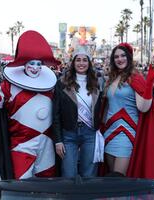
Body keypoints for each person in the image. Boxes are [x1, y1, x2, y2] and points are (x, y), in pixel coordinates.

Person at [0, 30, 60, 180]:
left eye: (39, 64)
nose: (35, 67)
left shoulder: (50, 86)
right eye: (31, 63)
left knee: (48, 183)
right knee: (22, 184)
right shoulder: (10, 86)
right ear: (24, 64)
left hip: (47, 142)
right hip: (22, 144)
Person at [100, 43, 154, 180]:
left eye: (123, 55)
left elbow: (144, 107)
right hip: (109, 133)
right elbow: (107, 108)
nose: (120, 59)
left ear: (128, 58)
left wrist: (150, 81)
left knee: (119, 179)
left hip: (126, 134)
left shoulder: (135, 78)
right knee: (110, 176)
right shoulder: (111, 78)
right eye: (116, 56)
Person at [52, 48, 102, 178]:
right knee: (68, 174)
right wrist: (58, 140)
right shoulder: (61, 83)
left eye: (85, 60)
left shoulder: (97, 83)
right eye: (78, 60)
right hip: (69, 134)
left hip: (90, 133)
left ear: (89, 63)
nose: (81, 63)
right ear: (73, 63)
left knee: (89, 175)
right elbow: (56, 113)